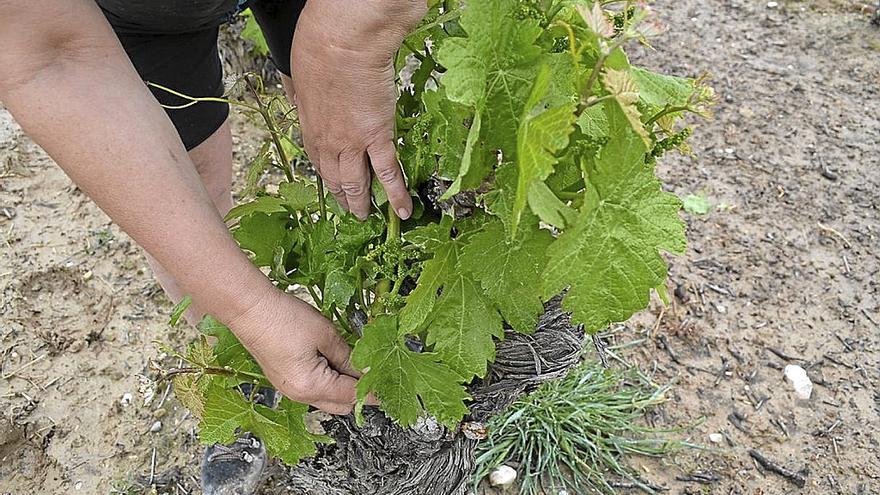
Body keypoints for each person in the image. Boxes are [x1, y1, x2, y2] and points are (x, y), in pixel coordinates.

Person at [0, 0, 426, 492]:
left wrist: (349, 34)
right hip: (149, 15)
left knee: (348, 142)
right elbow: (46, 53)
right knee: (186, 187)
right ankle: (241, 364)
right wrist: (251, 312)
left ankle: (385, 320)